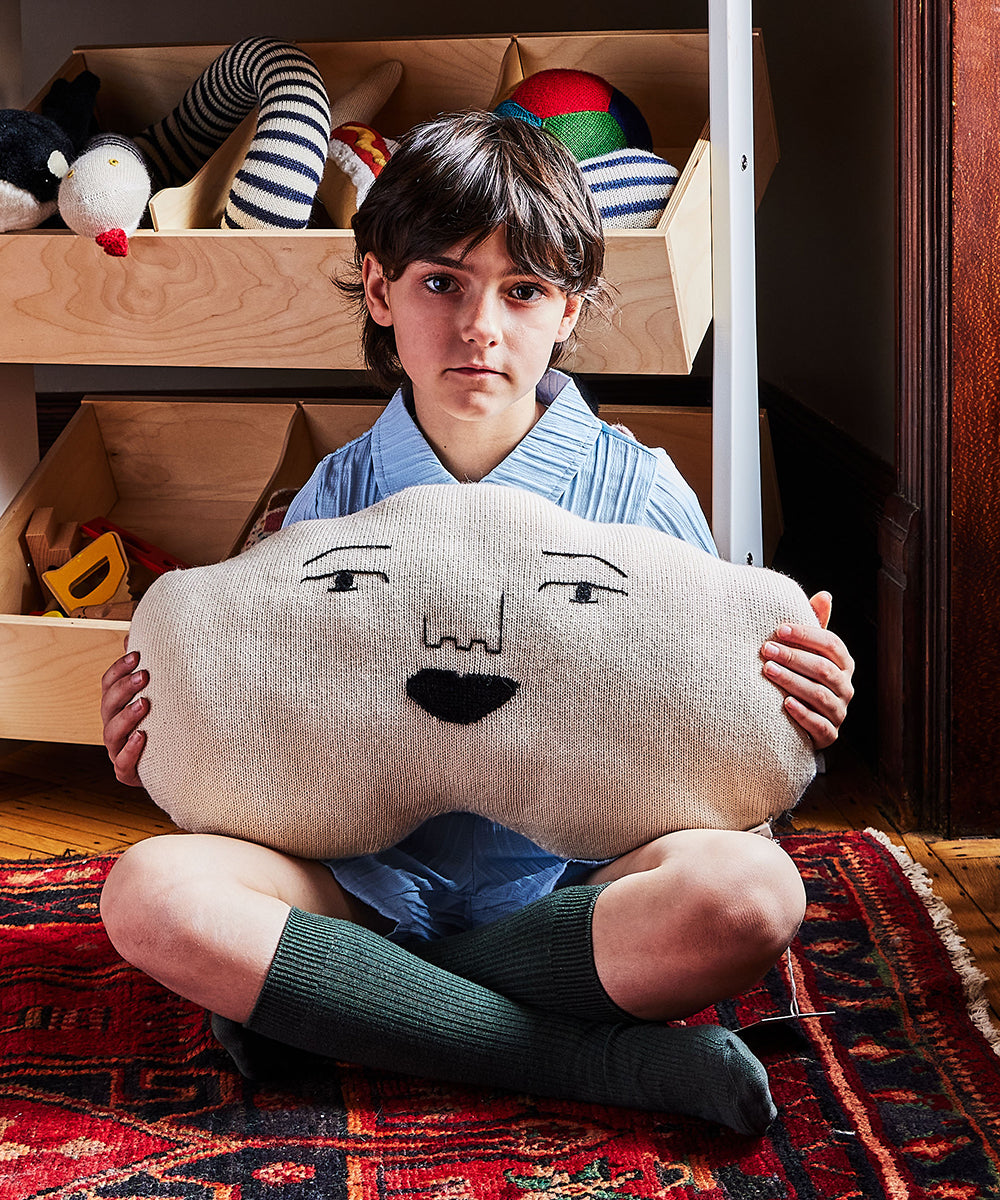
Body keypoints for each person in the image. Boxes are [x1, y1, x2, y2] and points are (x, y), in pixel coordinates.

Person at [98, 111, 855, 1137]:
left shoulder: (637, 492)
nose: (479, 328)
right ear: (379, 290)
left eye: (524, 290)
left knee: (751, 895)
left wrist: (787, 694)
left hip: (577, 891)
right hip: (356, 887)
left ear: (570, 308)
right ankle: (594, 1062)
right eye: (441, 282)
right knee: (149, 894)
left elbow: (701, 719)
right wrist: (169, 714)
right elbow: (271, 713)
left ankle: (350, 1006)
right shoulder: (335, 496)